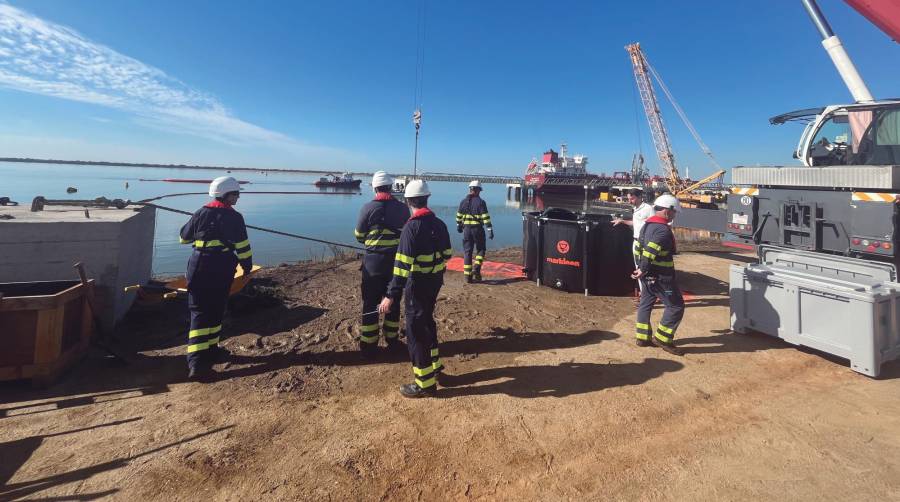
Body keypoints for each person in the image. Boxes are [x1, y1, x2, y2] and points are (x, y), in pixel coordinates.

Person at [378, 180, 452, 398]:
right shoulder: (439, 224)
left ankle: (425, 384)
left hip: (418, 285)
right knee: (427, 321)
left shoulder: (411, 227)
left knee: (416, 332)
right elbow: (447, 254)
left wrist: (390, 296)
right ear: (427, 198)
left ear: (408, 201)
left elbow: (401, 266)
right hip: (435, 282)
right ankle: (435, 366)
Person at [179, 176, 253, 380]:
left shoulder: (200, 213)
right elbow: (243, 248)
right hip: (222, 267)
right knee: (212, 309)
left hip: (198, 266)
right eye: (235, 194)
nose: (238, 198)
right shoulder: (235, 218)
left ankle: (209, 352)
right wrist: (247, 267)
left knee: (203, 310)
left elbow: (183, 238)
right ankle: (197, 362)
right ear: (225, 194)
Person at [354, 171, 409, 358]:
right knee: (392, 300)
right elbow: (406, 236)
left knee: (370, 302)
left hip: (373, 264)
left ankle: (369, 344)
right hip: (396, 263)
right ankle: (392, 340)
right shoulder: (403, 209)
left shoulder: (367, 208)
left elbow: (359, 237)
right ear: (391, 187)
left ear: (375, 188)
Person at [632, 194, 685, 356]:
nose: (675, 215)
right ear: (667, 211)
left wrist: (640, 269)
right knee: (675, 306)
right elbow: (650, 250)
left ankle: (642, 337)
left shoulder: (647, 226)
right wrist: (644, 268)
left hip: (648, 276)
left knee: (646, 303)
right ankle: (663, 338)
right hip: (662, 277)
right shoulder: (662, 230)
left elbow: (638, 248)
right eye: (674, 212)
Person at [612, 188, 654, 292]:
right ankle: (643, 293)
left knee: (645, 268)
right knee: (638, 267)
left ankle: (648, 294)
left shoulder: (648, 209)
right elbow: (636, 223)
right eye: (629, 199)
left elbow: (654, 225)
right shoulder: (635, 209)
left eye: (632, 199)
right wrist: (622, 221)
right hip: (636, 242)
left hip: (645, 243)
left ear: (640, 197)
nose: (630, 201)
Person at [455, 180, 493, 283]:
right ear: (478, 190)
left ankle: (467, 277)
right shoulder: (481, 202)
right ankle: (476, 268)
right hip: (478, 230)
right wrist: (489, 230)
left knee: (467, 252)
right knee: (481, 249)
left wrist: (458, 225)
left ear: (470, 189)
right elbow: (486, 218)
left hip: (466, 230)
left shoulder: (463, 201)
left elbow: (458, 216)